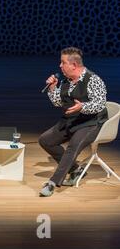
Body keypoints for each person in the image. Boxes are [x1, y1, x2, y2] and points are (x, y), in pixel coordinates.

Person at [38, 47, 108, 197]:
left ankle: (52, 183)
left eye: (63, 62)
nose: (60, 66)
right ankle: (76, 170)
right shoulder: (66, 81)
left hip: (91, 121)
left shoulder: (93, 80)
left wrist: (83, 106)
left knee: (73, 146)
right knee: (45, 140)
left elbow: (100, 104)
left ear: (74, 65)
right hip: (72, 120)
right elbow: (58, 103)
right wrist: (52, 88)